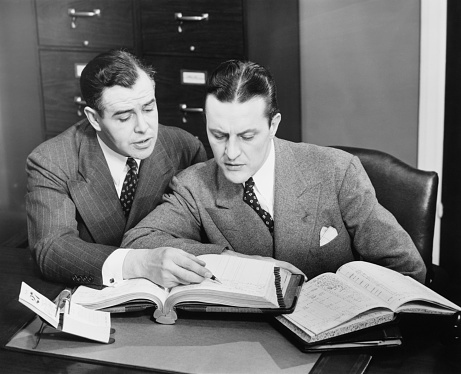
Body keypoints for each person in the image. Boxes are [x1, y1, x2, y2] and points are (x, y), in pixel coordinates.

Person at [122, 59, 426, 284]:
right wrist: (225, 258)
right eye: (218, 135)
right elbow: (137, 242)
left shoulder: (337, 170)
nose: (230, 153)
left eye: (246, 136)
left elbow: (406, 266)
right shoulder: (193, 185)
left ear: (274, 126)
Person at [26, 49, 212, 288]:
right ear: (94, 119)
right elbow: (51, 250)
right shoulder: (51, 160)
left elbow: (205, 232)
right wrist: (138, 263)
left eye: (148, 108)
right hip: (94, 296)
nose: (144, 127)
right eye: (124, 118)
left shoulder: (186, 147)